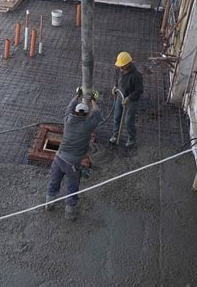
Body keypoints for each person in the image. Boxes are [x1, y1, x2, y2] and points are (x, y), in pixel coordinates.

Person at [45, 88, 102, 221]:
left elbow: (69, 107)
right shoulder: (88, 125)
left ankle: (49, 204)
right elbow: (98, 114)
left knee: (54, 182)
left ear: (76, 112)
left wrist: (77, 94)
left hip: (58, 159)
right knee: (72, 188)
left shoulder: (68, 120)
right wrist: (93, 100)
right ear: (87, 115)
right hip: (72, 165)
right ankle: (69, 213)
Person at [109, 52, 143, 147]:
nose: (120, 67)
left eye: (122, 65)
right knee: (117, 116)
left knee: (128, 120)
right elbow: (117, 80)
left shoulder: (136, 75)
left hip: (131, 100)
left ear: (128, 64)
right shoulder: (119, 70)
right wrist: (115, 87)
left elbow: (139, 90)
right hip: (120, 96)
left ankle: (131, 138)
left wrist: (129, 98)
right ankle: (115, 134)